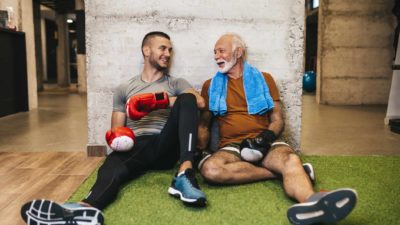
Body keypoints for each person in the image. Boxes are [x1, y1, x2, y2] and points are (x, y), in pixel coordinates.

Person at [20, 31, 207, 225]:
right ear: (146, 50)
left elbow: (199, 102)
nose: (167, 54)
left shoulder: (175, 83)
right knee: (112, 166)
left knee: (188, 98)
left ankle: (185, 173)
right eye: (162, 48)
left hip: (165, 143)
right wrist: (119, 138)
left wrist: (157, 101)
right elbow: (116, 131)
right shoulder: (124, 89)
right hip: (138, 145)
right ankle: (85, 208)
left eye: (170, 50)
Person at [197, 33, 357, 225]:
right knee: (211, 170)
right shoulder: (211, 85)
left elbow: (277, 119)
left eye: (221, 51)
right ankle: (282, 172)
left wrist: (264, 139)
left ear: (238, 52)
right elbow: (204, 124)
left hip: (264, 142)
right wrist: (198, 151)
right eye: (214, 52)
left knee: (290, 160)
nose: (216, 56)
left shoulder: (264, 79)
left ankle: (312, 202)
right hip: (231, 145)